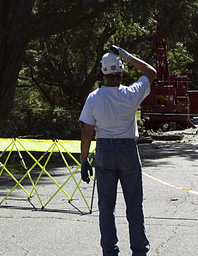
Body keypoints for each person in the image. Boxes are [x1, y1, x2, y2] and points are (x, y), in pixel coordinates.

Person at [79, 45, 158, 256]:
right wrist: (128, 56)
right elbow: (151, 73)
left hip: (104, 151)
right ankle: (139, 251)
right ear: (121, 72)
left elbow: (87, 132)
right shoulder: (131, 93)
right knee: (134, 205)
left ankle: (110, 251)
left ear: (102, 73)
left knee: (106, 207)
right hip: (128, 150)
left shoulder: (94, 98)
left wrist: (84, 160)